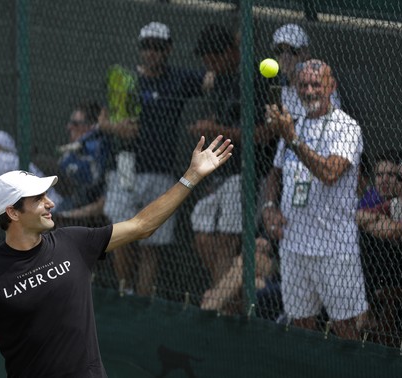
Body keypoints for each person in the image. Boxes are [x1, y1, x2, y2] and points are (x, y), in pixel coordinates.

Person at [0, 135, 233, 378]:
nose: (50, 203)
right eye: (38, 199)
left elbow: (141, 226)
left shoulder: (74, 242)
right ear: (12, 212)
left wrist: (192, 176)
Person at [98, 21, 213, 296]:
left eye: (158, 47)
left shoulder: (178, 79)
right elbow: (102, 121)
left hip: (160, 170)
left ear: (169, 49)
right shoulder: (125, 80)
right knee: (120, 237)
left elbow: (212, 79)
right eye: (147, 46)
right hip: (125, 168)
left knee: (151, 242)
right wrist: (118, 128)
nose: (152, 52)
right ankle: (125, 293)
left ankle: (142, 300)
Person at [262, 59, 367, 340]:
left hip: (334, 248)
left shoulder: (346, 127)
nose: (309, 91)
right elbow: (275, 174)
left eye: (316, 84)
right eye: (303, 85)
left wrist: (294, 139)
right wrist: (269, 207)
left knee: (345, 326)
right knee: (300, 322)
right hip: (294, 244)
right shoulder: (293, 126)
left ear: (331, 86)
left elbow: (330, 173)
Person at [186, 23, 275, 310]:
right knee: (202, 236)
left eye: (213, 59)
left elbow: (263, 134)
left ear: (229, 52)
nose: (209, 65)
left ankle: (221, 305)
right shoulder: (221, 78)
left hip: (248, 173)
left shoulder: (255, 78)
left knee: (226, 240)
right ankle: (227, 299)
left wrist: (217, 128)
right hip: (219, 171)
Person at [356, 154, 402, 346]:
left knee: (371, 239)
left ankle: (365, 308)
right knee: (366, 239)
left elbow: (396, 232)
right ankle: (365, 307)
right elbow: (357, 216)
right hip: (388, 276)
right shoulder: (397, 204)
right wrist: (381, 223)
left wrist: (378, 223)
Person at [52, 101, 110, 226]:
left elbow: (103, 202)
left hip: (91, 219)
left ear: (91, 127)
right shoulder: (69, 155)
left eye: (75, 124)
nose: (69, 127)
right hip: (66, 206)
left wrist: (69, 216)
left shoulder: (101, 153)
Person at [271, 23, 341, 121]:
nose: (285, 57)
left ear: (305, 53)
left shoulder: (320, 85)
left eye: (292, 51)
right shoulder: (281, 84)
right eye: (279, 51)